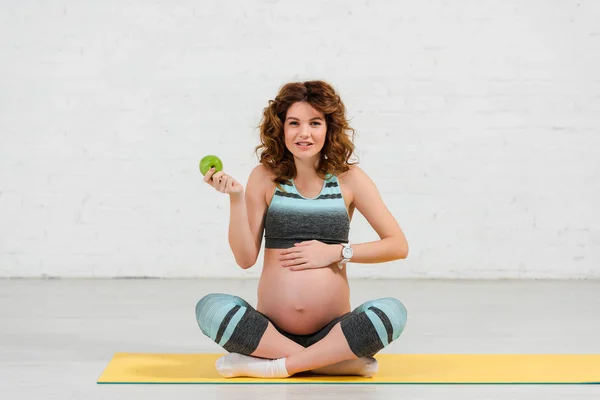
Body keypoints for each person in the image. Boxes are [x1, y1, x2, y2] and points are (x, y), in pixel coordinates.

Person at [196, 80, 409, 379]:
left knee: (393, 312)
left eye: (315, 123)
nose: (304, 133)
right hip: (271, 331)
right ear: (280, 128)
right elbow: (245, 259)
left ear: (329, 128)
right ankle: (331, 363)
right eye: (294, 123)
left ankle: (273, 366)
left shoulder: (350, 179)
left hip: (334, 331)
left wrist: (336, 252)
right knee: (209, 307)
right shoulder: (265, 177)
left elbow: (398, 245)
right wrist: (235, 198)